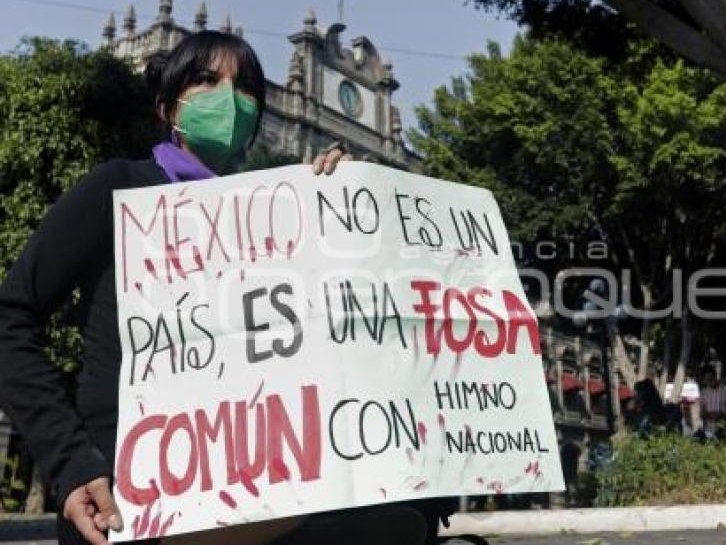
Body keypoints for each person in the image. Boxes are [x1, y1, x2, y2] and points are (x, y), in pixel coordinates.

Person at [0, 30, 428, 545]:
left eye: (246, 86)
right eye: (207, 80)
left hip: (262, 498)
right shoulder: (119, 188)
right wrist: (70, 462)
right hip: (128, 500)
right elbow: (9, 317)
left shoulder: (282, 218)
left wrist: (344, 208)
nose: (230, 97)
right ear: (168, 106)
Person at [696, 365, 726, 441]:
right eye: (706, 381)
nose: (709, 383)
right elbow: (701, 413)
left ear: (715, 376)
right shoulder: (704, 392)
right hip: (709, 433)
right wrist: (708, 415)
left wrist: (723, 415)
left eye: (711, 379)